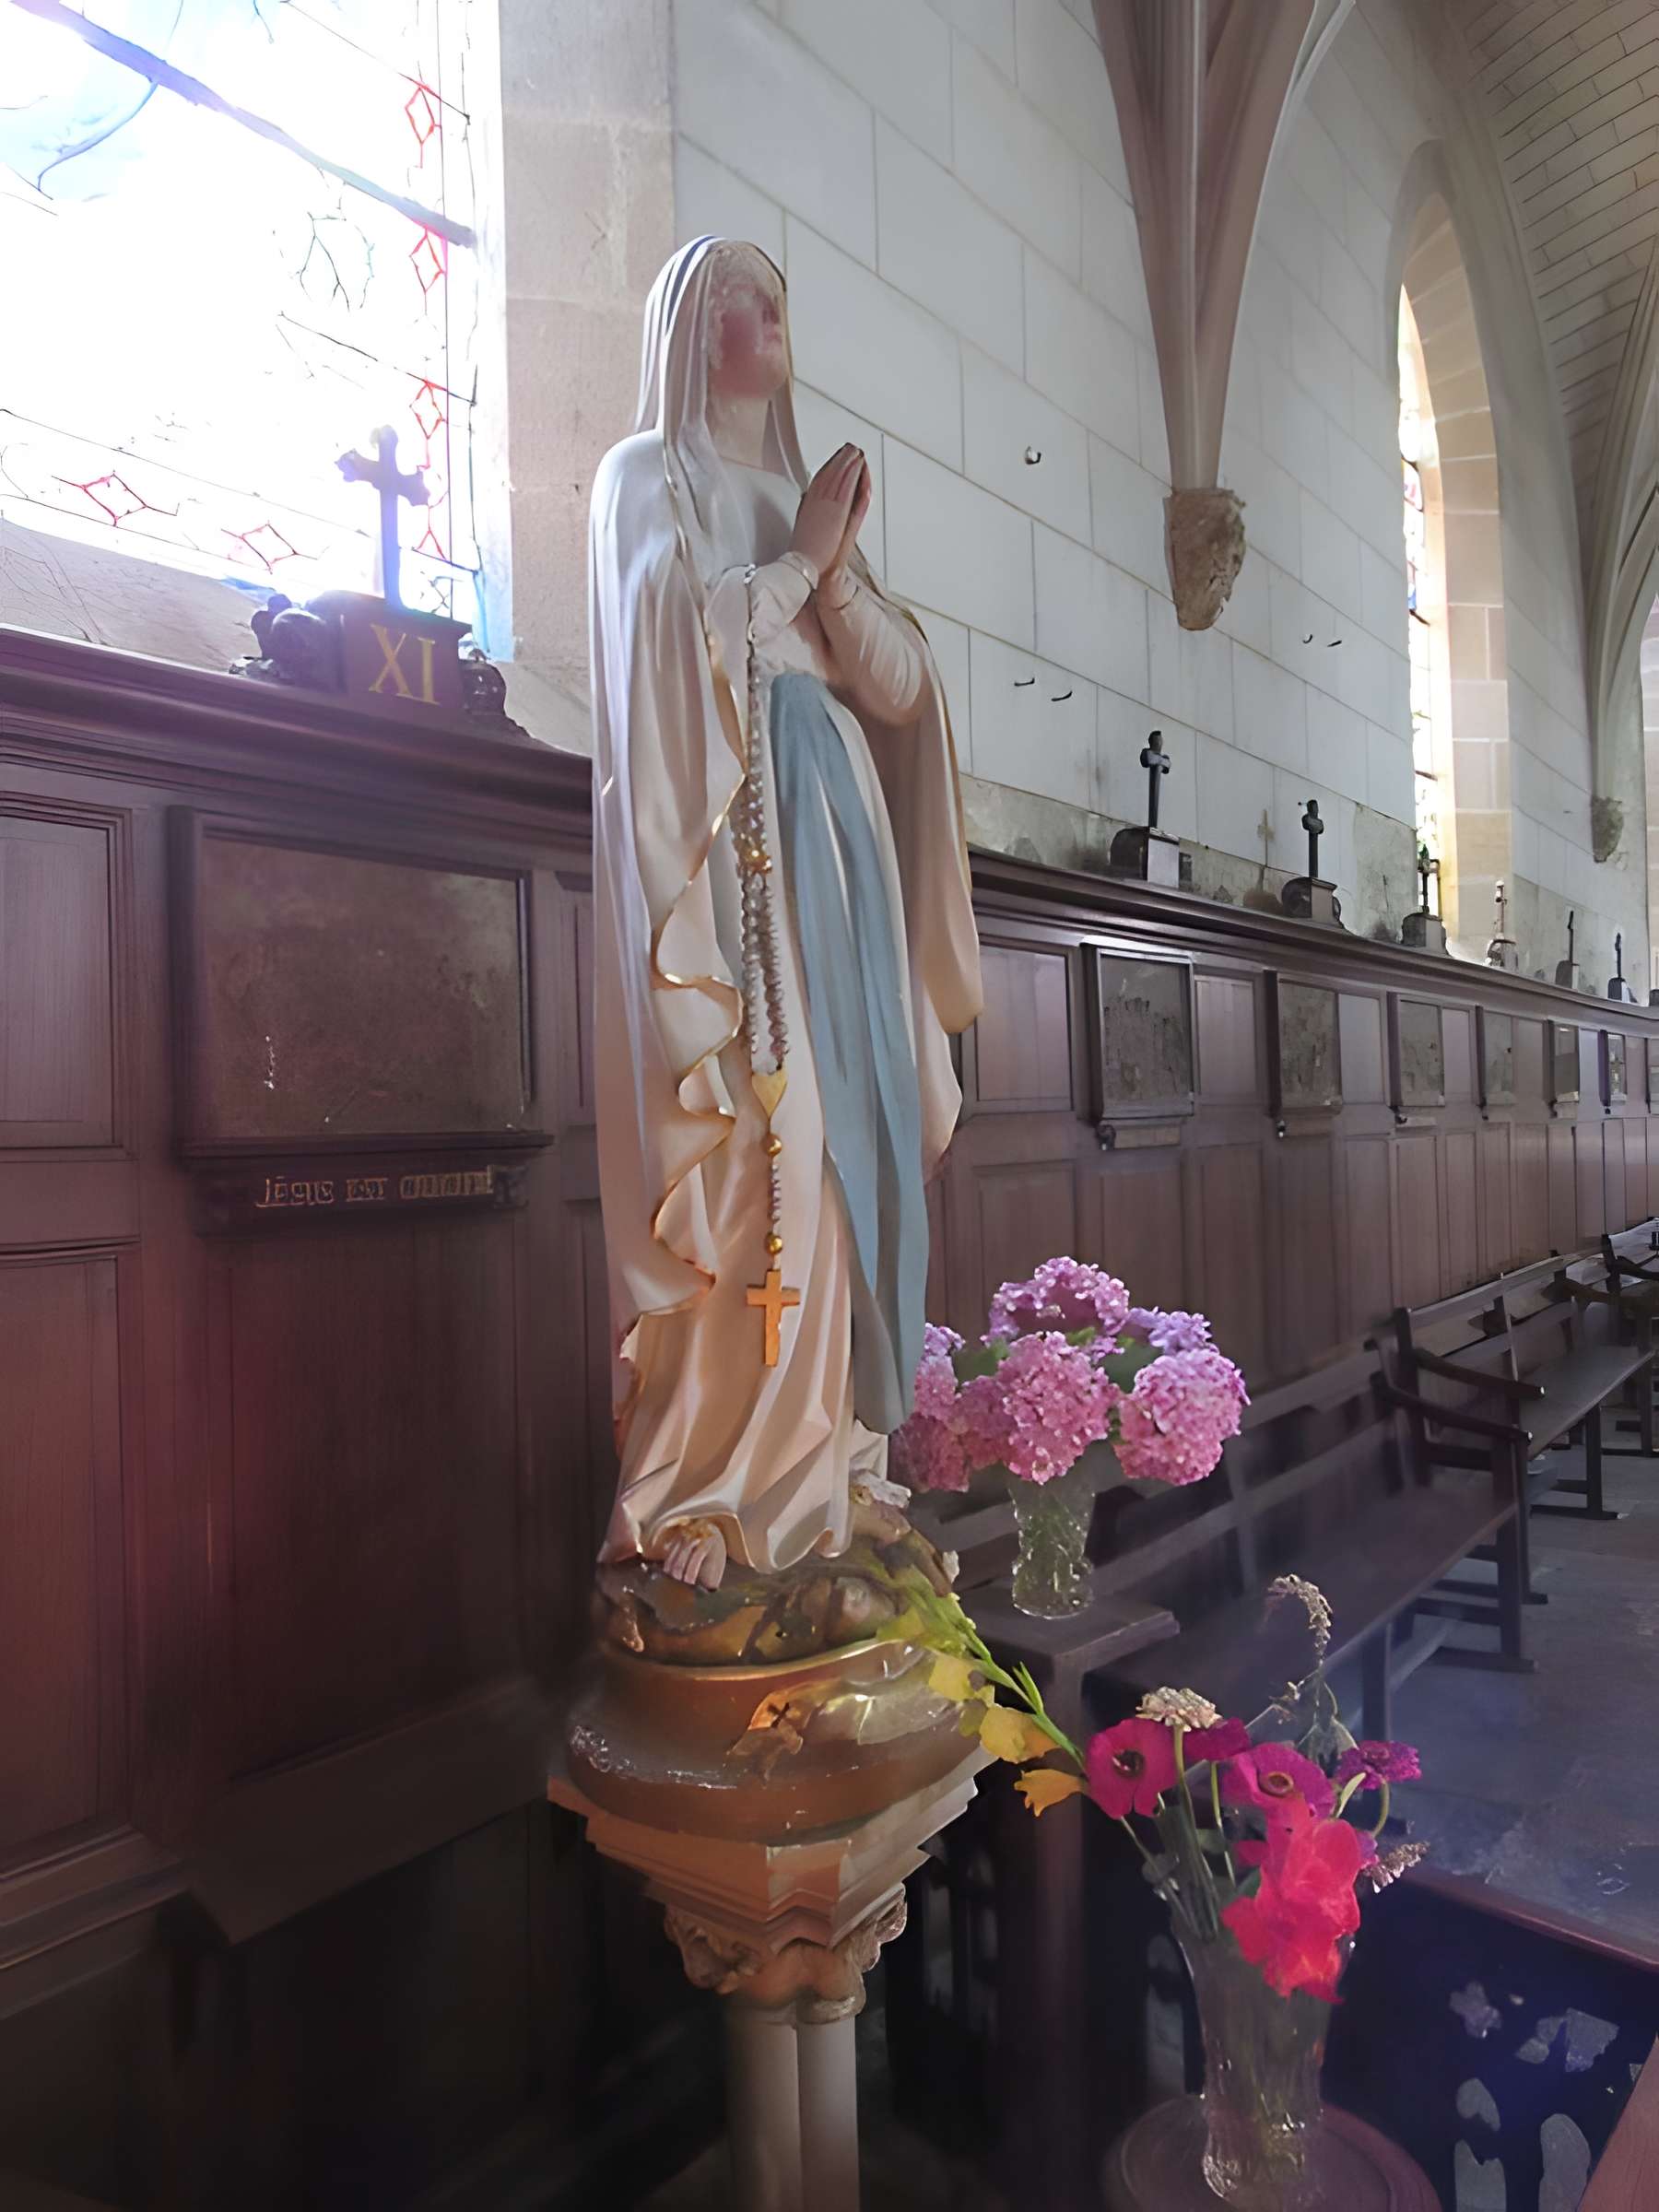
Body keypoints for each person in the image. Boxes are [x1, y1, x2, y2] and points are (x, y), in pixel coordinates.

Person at [589, 238, 981, 1590]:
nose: (763, 316)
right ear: (686, 331)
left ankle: (833, 1475)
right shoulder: (649, 477)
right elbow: (673, 652)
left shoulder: (811, 504)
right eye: (732, 298)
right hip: (733, 874)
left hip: (841, 856)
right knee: (772, 1142)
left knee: (857, 1137)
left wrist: (838, 573)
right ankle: (707, 1486)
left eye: (775, 296)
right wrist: (802, 560)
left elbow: (899, 685)